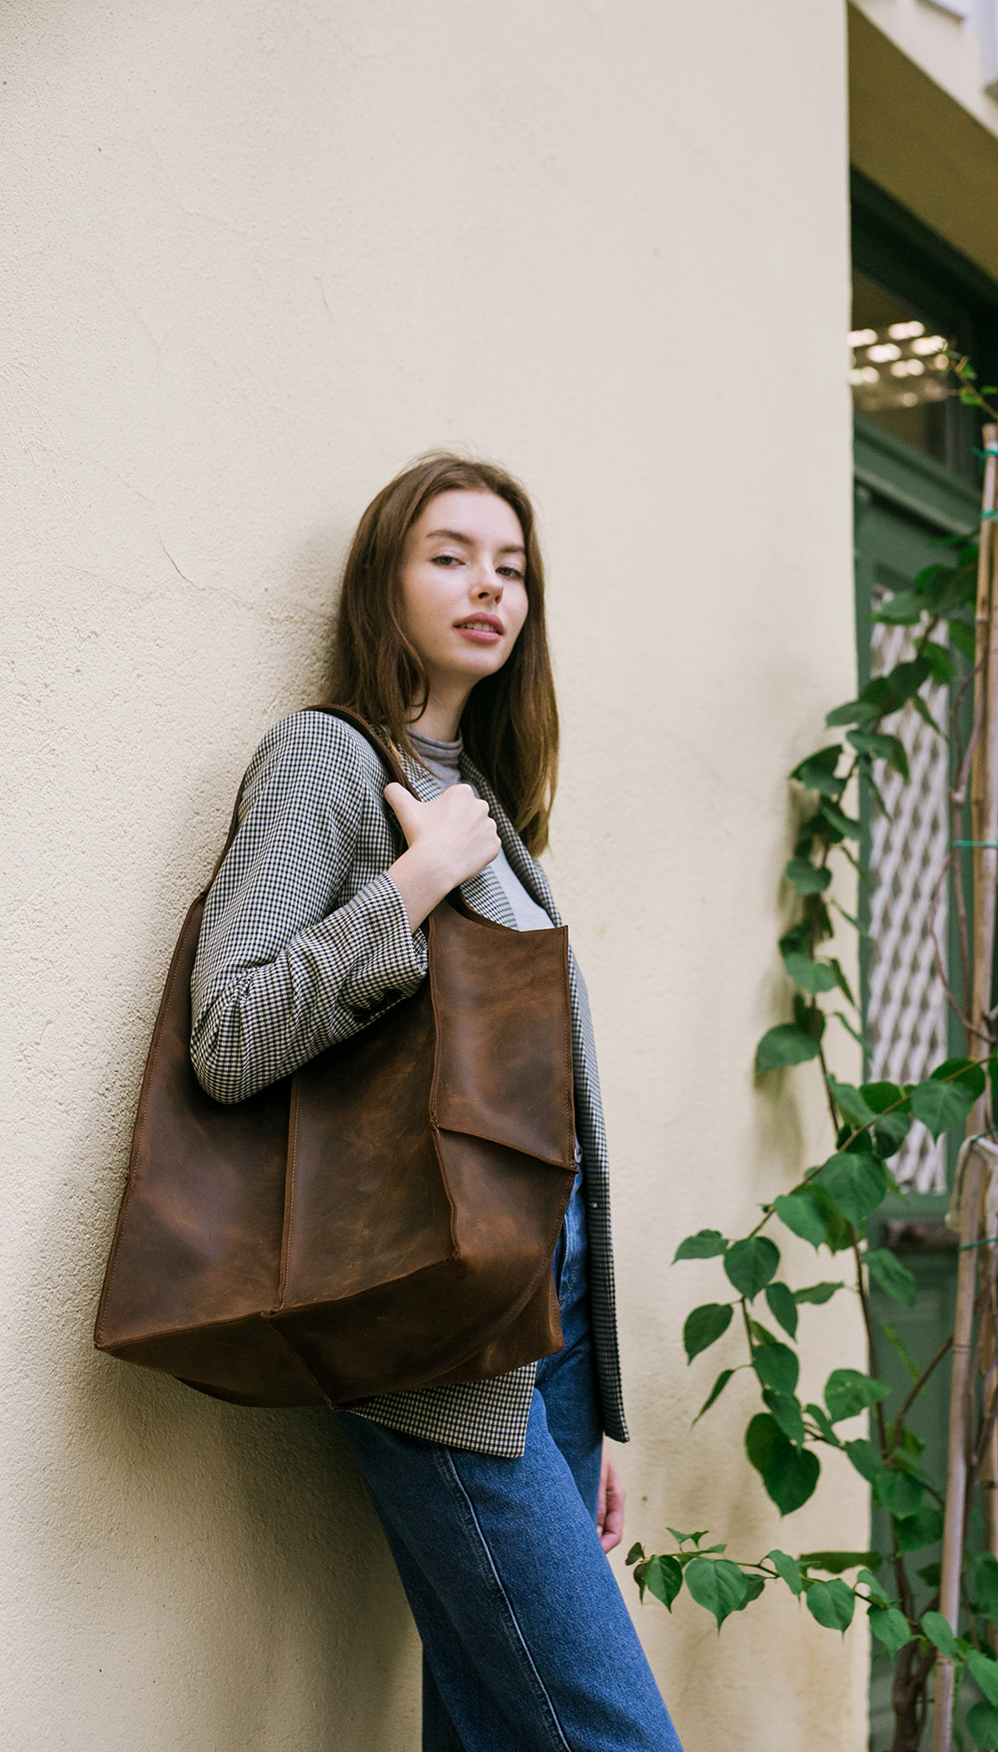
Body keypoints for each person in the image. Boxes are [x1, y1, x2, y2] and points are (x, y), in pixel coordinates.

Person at [189, 453, 683, 1752]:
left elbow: (543, 1114)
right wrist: (412, 888)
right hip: (438, 1343)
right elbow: (227, 1034)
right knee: (608, 1730)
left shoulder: (488, 807)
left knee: (486, 1725)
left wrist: (593, 1413)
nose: (488, 587)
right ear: (384, 580)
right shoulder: (327, 763)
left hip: (548, 1324)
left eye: (511, 568)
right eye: (451, 555)